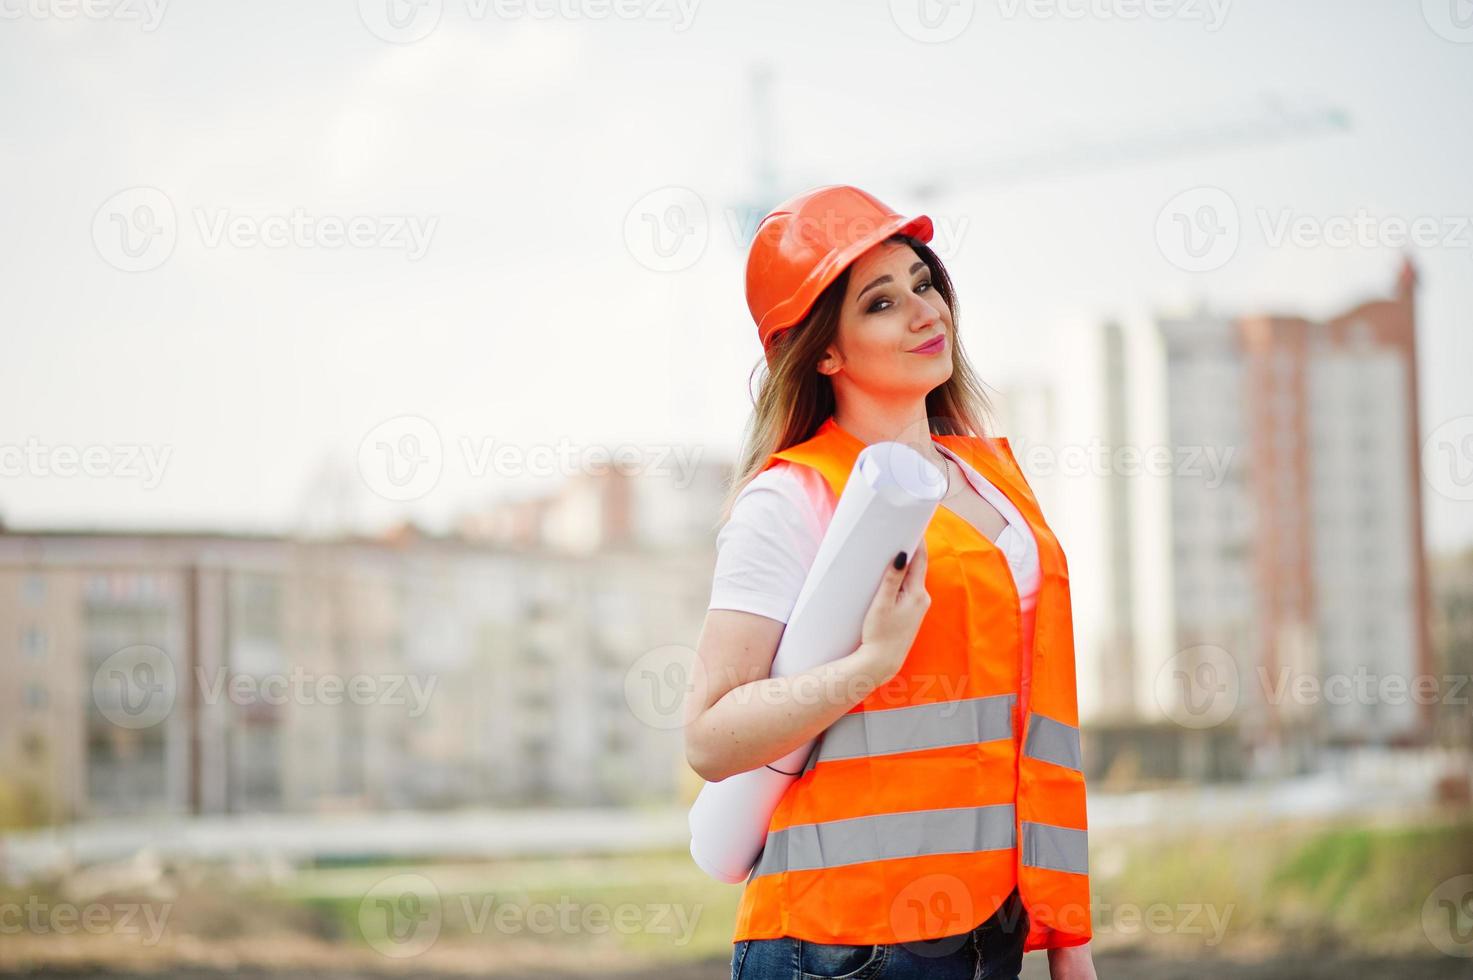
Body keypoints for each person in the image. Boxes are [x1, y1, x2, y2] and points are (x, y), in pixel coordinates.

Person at [682, 185, 1099, 980]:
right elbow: (708, 738)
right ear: (825, 352)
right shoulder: (791, 498)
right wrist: (867, 667)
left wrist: (1066, 941)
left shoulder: (994, 485)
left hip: (988, 932)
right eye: (880, 302)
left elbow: (1032, 727)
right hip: (842, 946)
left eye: (922, 281)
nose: (923, 310)